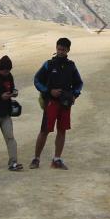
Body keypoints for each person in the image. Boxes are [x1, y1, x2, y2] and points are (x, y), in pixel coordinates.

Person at [30, 37, 84, 170]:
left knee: (62, 130)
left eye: (63, 50)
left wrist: (74, 95)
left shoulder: (71, 66)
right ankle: (36, 159)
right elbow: (37, 80)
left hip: (65, 104)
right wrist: (49, 91)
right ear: (56, 48)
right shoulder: (49, 64)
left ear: (68, 50)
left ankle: (57, 159)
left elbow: (79, 83)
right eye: (59, 49)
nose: (60, 52)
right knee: (44, 130)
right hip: (51, 103)